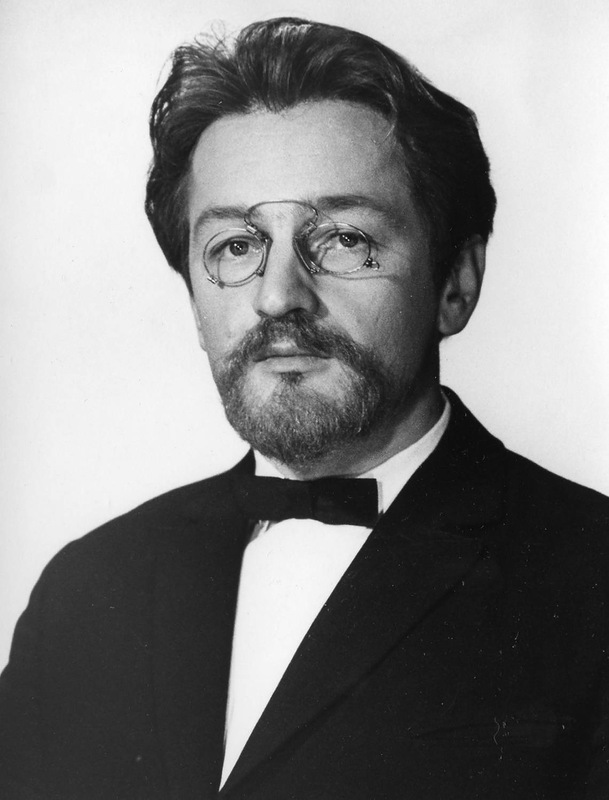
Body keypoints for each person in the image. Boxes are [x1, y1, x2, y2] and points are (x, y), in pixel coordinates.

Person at [1, 16, 608, 800]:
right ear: (194, 301)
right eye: (235, 246)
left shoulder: (591, 580)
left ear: (455, 284)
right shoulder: (86, 588)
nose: (279, 295)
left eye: (345, 240)